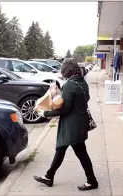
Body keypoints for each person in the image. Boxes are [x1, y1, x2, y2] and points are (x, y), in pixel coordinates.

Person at [34, 58, 98, 191]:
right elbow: (82, 99)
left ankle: (91, 181)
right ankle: (49, 176)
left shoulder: (70, 85)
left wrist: (45, 114)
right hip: (79, 123)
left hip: (71, 126)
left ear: (66, 71)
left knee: (74, 152)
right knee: (64, 150)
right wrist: (59, 93)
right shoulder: (82, 82)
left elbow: (64, 109)